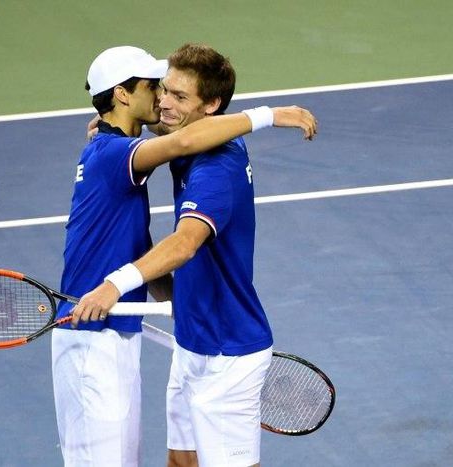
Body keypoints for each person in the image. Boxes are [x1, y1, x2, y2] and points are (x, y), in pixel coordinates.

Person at [71, 43, 317, 467]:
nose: (164, 104)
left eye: (179, 98)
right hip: (192, 343)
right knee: (181, 462)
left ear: (212, 106)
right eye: (164, 90)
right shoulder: (191, 143)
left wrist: (116, 284)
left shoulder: (214, 170)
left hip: (227, 355)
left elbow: (185, 244)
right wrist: (115, 131)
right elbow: (172, 135)